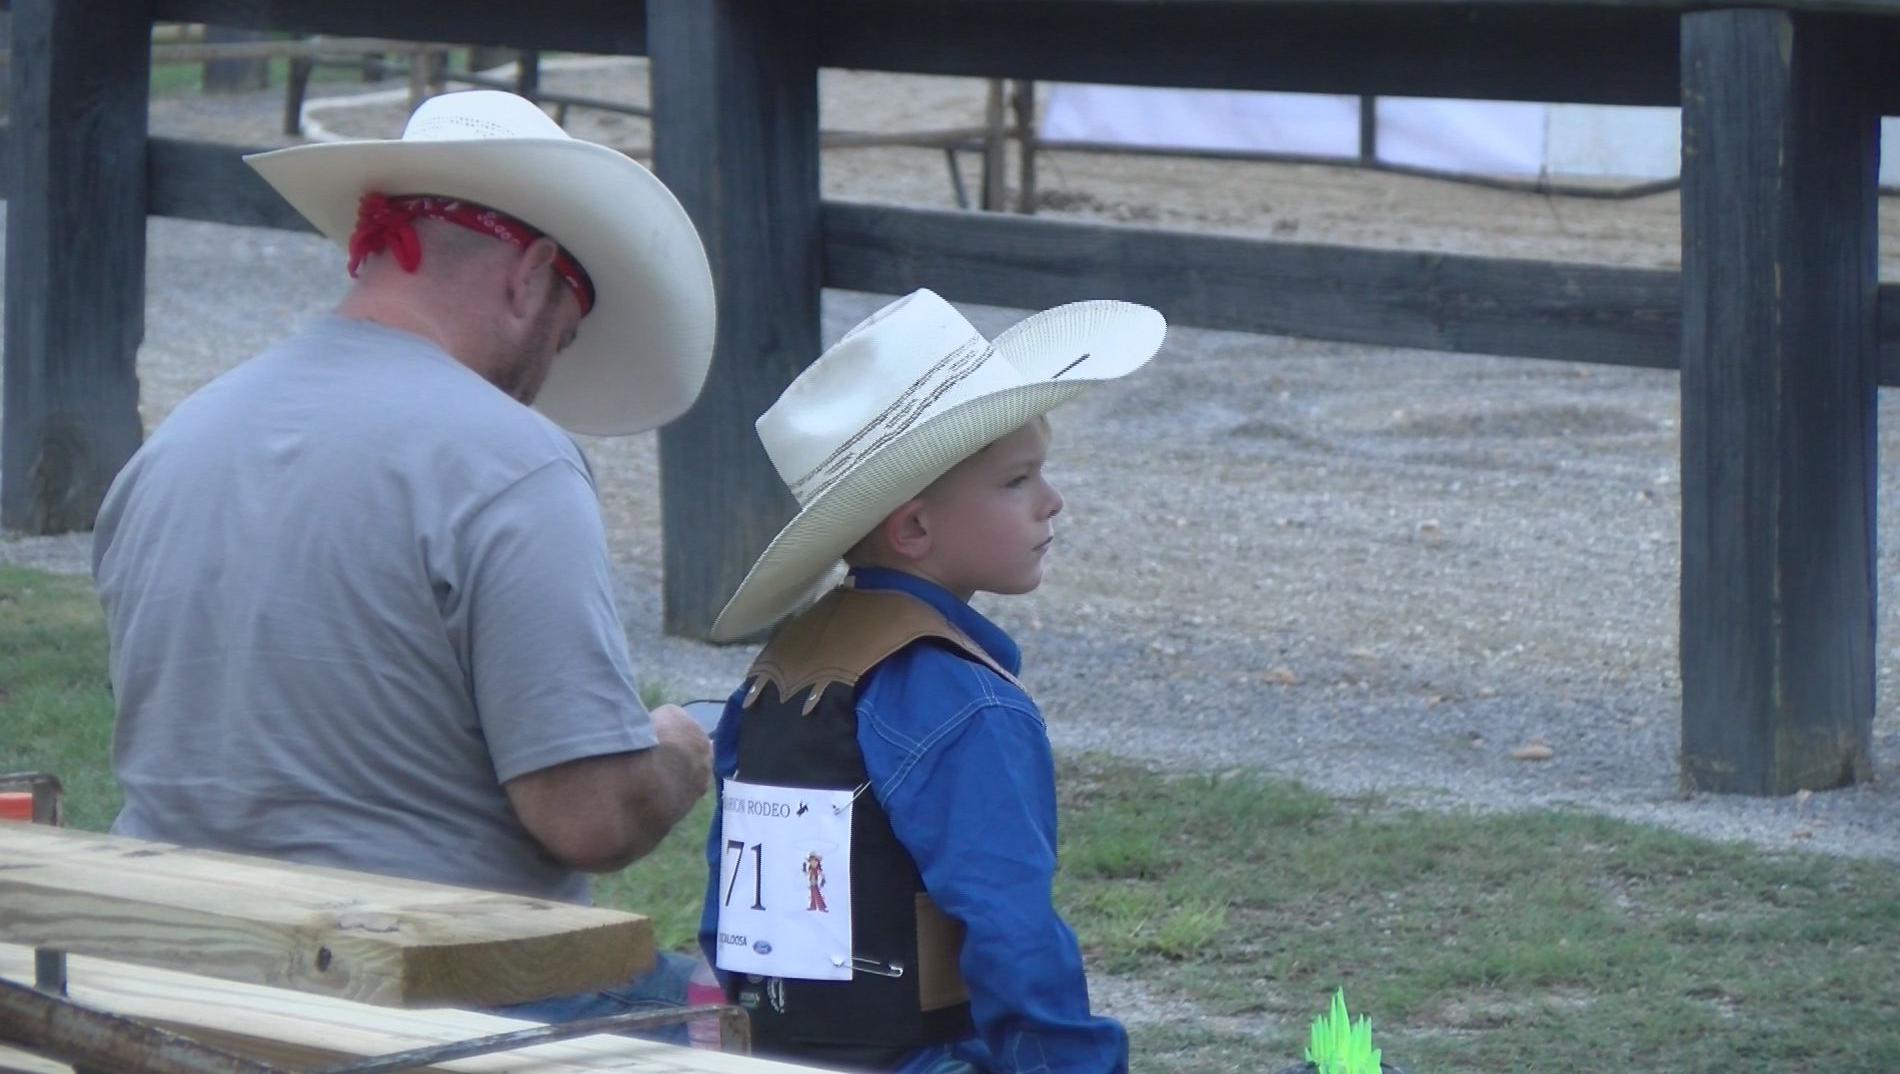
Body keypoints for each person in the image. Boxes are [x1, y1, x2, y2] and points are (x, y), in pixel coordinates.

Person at [92, 90, 717, 1027]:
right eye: (565, 331)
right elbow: (587, 817)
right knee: (767, 1018)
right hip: (424, 1000)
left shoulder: (177, 442)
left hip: (173, 974)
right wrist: (675, 754)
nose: (548, 369)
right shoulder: (512, 461)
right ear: (532, 274)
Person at [698, 289, 1165, 1072]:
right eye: (1018, 480)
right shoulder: (964, 701)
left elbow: (731, 906)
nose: (1052, 501)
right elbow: (1009, 927)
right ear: (914, 527)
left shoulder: (781, 668)